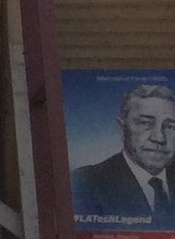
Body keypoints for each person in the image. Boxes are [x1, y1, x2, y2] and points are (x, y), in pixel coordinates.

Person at [72, 81, 175, 228]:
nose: (159, 138)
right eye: (146, 123)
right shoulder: (86, 183)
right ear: (122, 129)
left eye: (170, 126)